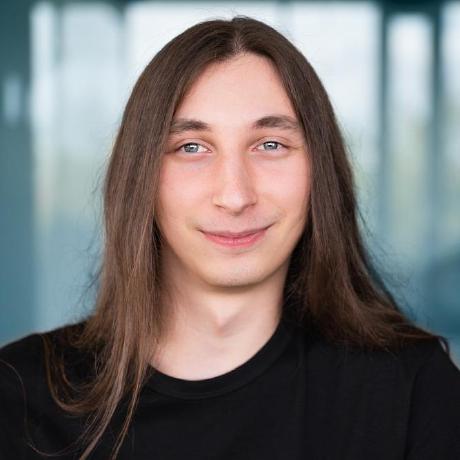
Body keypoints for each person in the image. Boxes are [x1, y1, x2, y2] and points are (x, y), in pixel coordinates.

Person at [1, 15, 459, 460]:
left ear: (321, 170)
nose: (235, 196)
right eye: (192, 148)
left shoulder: (413, 392)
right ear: (140, 177)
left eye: (270, 145)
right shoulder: (19, 400)